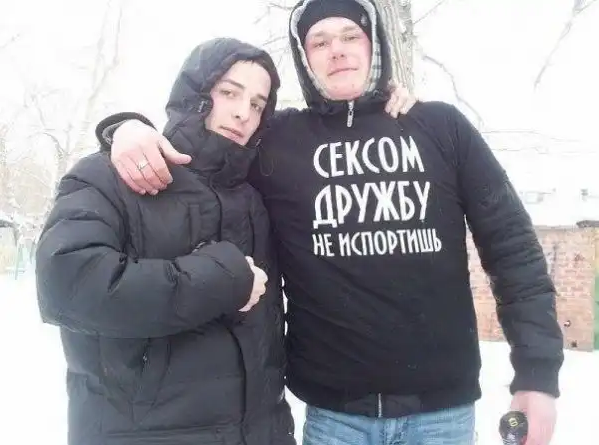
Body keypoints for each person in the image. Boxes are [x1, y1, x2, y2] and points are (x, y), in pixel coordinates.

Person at [94, 0, 564, 444]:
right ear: (305, 59)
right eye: (319, 42)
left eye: (350, 36)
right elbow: (205, 151)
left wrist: (537, 375)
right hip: (335, 418)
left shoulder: (441, 127)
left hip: (443, 413)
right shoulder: (278, 141)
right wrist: (125, 127)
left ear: (374, 46)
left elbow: (513, 250)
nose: (336, 50)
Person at [35, 38, 296, 445]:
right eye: (229, 92)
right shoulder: (110, 175)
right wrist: (221, 280)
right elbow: (66, 283)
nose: (243, 112)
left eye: (257, 103)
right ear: (195, 94)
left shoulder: (255, 194)